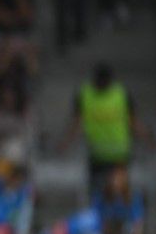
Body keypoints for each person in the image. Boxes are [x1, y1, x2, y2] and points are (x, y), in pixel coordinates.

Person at [63, 62, 146, 196]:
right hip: (97, 153)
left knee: (118, 190)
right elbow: (77, 123)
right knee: (98, 190)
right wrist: (66, 143)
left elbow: (133, 122)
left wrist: (147, 138)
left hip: (119, 153)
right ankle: (101, 206)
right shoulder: (85, 94)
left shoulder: (121, 94)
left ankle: (120, 206)